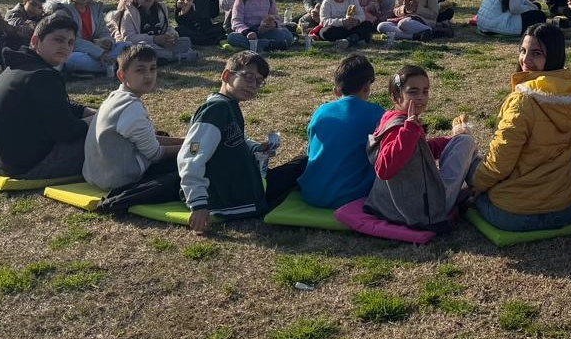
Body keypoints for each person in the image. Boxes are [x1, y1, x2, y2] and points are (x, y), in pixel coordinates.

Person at [470, 24, 571, 232]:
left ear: (552, 57)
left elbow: (500, 161)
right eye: (523, 51)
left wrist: (475, 186)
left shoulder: (522, 101)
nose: (526, 60)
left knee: (471, 163)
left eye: (536, 53)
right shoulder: (570, 94)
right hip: (566, 211)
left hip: (514, 215)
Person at [178, 51, 307, 234]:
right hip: (226, 197)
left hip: (239, 187)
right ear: (226, 75)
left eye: (259, 81)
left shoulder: (228, 105)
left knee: (301, 164)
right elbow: (191, 156)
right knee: (304, 164)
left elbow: (234, 139)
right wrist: (198, 204)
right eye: (248, 77)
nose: (253, 85)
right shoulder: (216, 110)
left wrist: (255, 147)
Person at [0, 12, 95, 179]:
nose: (65, 47)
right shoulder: (42, 75)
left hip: (3, 163)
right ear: (36, 41)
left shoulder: (21, 67)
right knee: (107, 135)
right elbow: (67, 131)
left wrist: (86, 111)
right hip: (28, 166)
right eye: (58, 40)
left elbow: (55, 105)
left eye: (70, 43)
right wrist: (98, 120)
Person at [366, 64, 478, 231]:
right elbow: (384, 169)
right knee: (466, 142)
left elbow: (419, 151)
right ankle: (480, 187)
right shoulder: (401, 127)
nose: (421, 97)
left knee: (460, 140)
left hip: (396, 203)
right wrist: (409, 129)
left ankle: (476, 186)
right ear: (396, 96)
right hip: (420, 209)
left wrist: (449, 140)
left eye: (425, 91)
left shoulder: (392, 118)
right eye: (413, 92)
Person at [83, 44, 181, 192]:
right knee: (194, 158)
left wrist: (185, 140)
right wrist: (193, 147)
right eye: (140, 70)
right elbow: (155, 154)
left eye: (152, 68)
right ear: (122, 75)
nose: (148, 75)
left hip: (95, 176)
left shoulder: (115, 96)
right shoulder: (131, 107)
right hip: (120, 180)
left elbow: (151, 140)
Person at [297, 55, 385, 210]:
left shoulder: (321, 111)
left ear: (336, 90)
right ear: (366, 87)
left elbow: (311, 149)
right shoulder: (377, 114)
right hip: (351, 197)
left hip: (311, 193)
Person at [45, 0, 120, 75]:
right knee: (72, 59)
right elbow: (70, 41)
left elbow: (104, 31)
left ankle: (112, 64)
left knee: (126, 45)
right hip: (74, 52)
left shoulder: (95, 7)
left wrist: (107, 41)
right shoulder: (62, 11)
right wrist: (99, 53)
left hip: (97, 51)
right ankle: (116, 65)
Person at [110, 0, 196, 64]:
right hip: (142, 45)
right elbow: (128, 38)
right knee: (145, 49)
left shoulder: (160, 9)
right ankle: (173, 57)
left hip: (162, 44)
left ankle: (170, 57)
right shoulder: (129, 14)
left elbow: (166, 27)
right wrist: (154, 39)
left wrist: (172, 35)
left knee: (186, 41)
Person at [310, 0, 376, 48]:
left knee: (368, 24)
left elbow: (361, 15)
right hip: (337, 28)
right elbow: (324, 21)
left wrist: (357, 20)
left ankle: (349, 40)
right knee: (325, 32)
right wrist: (342, 22)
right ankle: (355, 38)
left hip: (351, 28)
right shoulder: (327, 2)